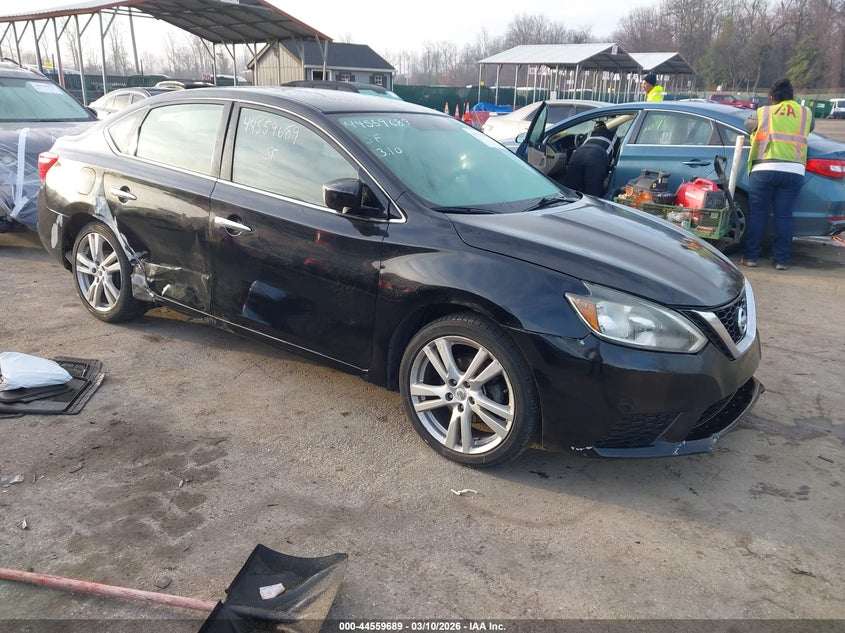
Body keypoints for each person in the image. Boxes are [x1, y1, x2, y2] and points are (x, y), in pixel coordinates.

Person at [741, 77, 813, 271]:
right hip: (793, 171)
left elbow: (748, 125)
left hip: (764, 168)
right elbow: (810, 129)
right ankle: (781, 260)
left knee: (758, 214)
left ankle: (751, 257)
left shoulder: (764, 112)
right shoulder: (806, 114)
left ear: (772, 97)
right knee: (784, 216)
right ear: (792, 96)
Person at [562, 120, 616, 196]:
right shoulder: (614, 136)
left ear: (595, 128)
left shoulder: (589, 134)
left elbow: (579, 145)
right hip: (598, 158)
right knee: (592, 192)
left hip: (578, 155)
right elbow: (616, 156)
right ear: (606, 127)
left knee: (569, 188)